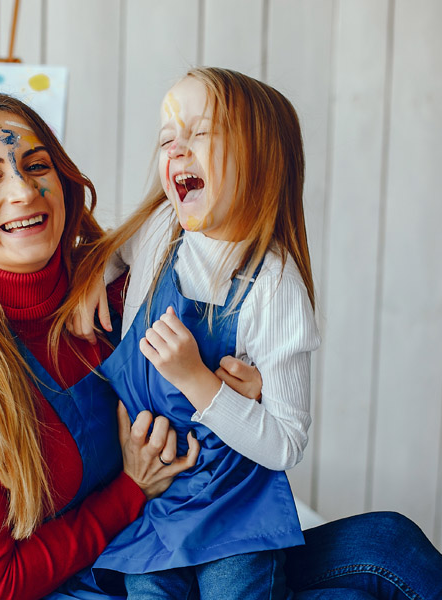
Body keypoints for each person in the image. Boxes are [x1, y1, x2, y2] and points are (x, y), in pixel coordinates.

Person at [0, 90, 442, 600]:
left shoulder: (128, 288)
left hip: (181, 539)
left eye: (37, 165)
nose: (24, 189)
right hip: (74, 584)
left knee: (387, 542)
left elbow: (226, 324)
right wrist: (130, 491)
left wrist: (249, 381)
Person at [61, 66, 318, 600]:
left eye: (199, 134)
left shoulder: (273, 287)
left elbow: (286, 442)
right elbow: (105, 255)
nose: (177, 149)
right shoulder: (160, 233)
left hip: (234, 515)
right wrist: (92, 276)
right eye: (166, 139)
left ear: (259, 159)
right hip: (153, 503)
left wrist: (199, 380)